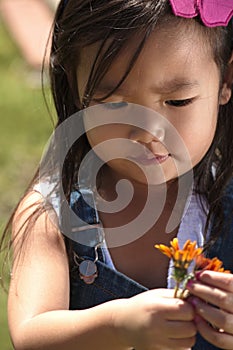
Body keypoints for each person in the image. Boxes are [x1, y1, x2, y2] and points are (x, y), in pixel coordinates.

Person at [2, 0, 233, 349]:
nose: (147, 132)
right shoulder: (52, 213)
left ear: (226, 81)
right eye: (113, 103)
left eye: (178, 101)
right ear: (76, 90)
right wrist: (117, 325)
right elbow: (31, 335)